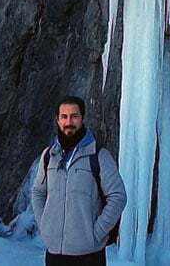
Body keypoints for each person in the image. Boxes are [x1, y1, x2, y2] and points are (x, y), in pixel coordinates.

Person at [30, 97, 127, 266]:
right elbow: (38, 192)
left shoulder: (99, 155)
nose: (69, 122)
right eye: (64, 116)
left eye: (74, 116)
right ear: (58, 120)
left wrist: (96, 234)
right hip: (54, 254)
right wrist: (45, 225)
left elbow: (118, 196)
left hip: (89, 256)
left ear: (82, 118)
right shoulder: (49, 156)